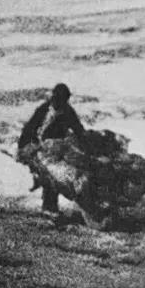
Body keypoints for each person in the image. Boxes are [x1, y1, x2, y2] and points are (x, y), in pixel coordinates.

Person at [17, 83, 86, 214]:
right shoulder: (44, 109)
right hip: (39, 147)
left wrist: (87, 144)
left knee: (61, 175)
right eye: (58, 99)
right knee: (49, 175)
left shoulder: (67, 111)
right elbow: (29, 128)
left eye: (63, 100)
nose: (59, 102)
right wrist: (22, 148)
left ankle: (51, 205)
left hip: (57, 148)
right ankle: (49, 207)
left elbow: (78, 130)